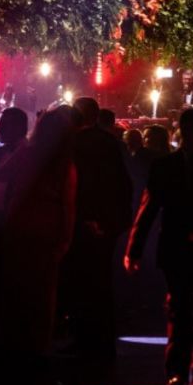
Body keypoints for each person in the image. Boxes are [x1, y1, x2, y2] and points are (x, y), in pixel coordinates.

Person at [127, 109, 193, 385]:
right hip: (191, 245)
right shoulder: (171, 166)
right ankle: (187, 371)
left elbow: (148, 209)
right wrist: (135, 248)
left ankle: (189, 371)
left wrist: (135, 249)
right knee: (185, 310)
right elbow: (149, 208)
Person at [0, 107, 76, 376]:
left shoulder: (25, 154)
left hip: (18, 227)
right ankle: (38, 349)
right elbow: (68, 205)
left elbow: (1, 176)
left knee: (15, 289)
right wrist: (66, 238)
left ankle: (13, 347)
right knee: (42, 293)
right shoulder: (64, 163)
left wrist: (4, 208)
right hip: (46, 231)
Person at [61, 97, 132, 361]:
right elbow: (122, 184)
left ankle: (83, 340)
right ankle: (103, 341)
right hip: (106, 224)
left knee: (81, 283)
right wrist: (115, 223)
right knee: (101, 283)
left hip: (84, 222)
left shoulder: (77, 144)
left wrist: (86, 217)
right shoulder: (111, 143)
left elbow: (83, 186)